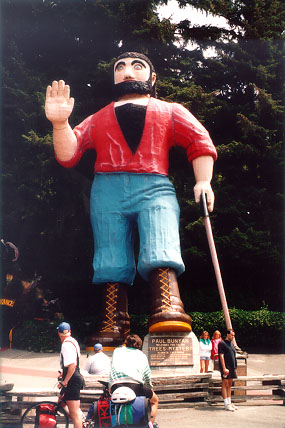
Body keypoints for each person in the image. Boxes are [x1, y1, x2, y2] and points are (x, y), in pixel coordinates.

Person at [45, 51, 217, 347]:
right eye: (120, 67)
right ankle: (113, 320)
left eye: (137, 66)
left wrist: (203, 180)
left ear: (152, 78)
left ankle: (168, 303)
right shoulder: (99, 118)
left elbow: (198, 141)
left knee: (161, 236)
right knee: (110, 251)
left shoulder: (170, 111)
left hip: (154, 183)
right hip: (108, 188)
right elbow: (68, 154)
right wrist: (60, 125)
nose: (127, 71)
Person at [109, 334, 159, 425]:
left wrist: (110, 385)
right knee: (155, 401)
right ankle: (149, 425)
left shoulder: (117, 351)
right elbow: (147, 375)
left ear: (126, 343)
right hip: (134, 385)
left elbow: (112, 368)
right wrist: (149, 387)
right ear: (139, 346)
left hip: (115, 385)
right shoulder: (141, 355)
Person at [57, 322, 84, 427]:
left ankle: (81, 423)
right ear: (70, 332)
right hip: (74, 377)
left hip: (72, 380)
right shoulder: (73, 341)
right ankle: (82, 422)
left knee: (74, 413)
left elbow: (72, 365)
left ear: (59, 333)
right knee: (62, 402)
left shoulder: (66, 345)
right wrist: (64, 373)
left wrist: (65, 381)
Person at [218, 329, 238, 411]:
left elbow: (233, 355)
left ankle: (229, 402)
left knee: (229, 385)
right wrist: (224, 368)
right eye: (232, 335)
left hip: (232, 367)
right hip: (226, 368)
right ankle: (226, 404)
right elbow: (221, 356)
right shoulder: (222, 343)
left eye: (234, 335)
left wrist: (235, 367)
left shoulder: (232, 344)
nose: (233, 337)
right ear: (227, 335)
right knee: (224, 384)